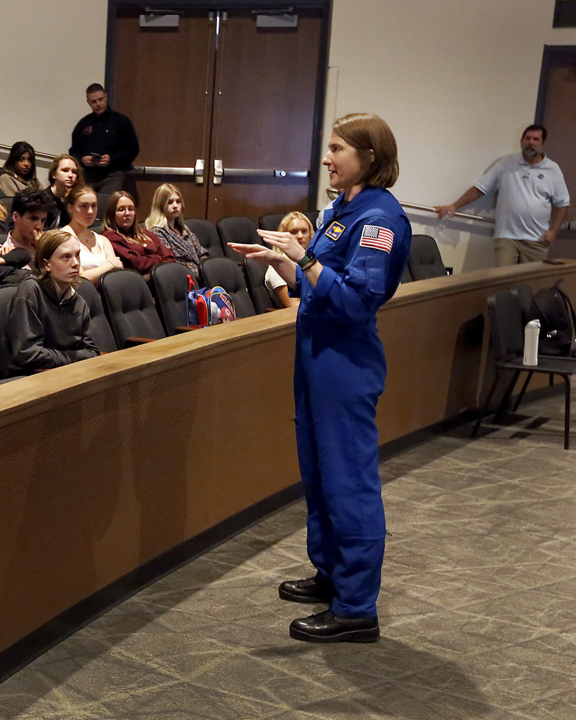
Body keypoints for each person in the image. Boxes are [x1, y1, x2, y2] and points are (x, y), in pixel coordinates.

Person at [228, 112, 412, 644]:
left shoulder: (378, 220)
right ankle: (332, 574)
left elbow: (355, 300)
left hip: (344, 361)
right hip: (315, 354)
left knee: (348, 481)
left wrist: (304, 257)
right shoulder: (343, 211)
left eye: (337, 149)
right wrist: (283, 262)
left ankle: (357, 607)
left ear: (369, 157)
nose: (327, 158)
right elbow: (319, 284)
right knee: (319, 472)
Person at [435, 125, 569, 266]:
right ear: (521, 141)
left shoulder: (552, 169)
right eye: (528, 138)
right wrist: (454, 205)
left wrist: (553, 232)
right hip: (507, 237)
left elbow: (563, 204)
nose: (531, 142)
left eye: (536, 139)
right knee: (503, 282)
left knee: (531, 285)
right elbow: (480, 189)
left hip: (537, 239)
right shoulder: (506, 164)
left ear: (543, 143)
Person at [9, 229, 99, 374]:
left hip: (70, 374)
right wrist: (73, 356)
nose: (76, 263)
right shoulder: (30, 291)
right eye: (66, 257)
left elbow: (92, 352)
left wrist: (67, 359)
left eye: (77, 255)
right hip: (36, 378)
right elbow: (28, 354)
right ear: (46, 265)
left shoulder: (77, 300)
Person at [69, 83, 139, 195]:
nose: (98, 104)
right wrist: (82, 159)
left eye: (100, 99)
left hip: (113, 174)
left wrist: (112, 159)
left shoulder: (121, 121)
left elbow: (132, 149)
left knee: (106, 204)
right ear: (88, 102)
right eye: (94, 101)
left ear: (106, 97)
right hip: (88, 175)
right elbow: (73, 151)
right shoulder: (83, 124)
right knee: (83, 202)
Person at [102, 191, 176, 279]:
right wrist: (158, 258)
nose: (127, 213)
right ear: (111, 214)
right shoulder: (110, 237)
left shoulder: (145, 233)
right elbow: (136, 264)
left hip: (160, 278)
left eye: (131, 209)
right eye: (121, 209)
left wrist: (148, 260)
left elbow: (170, 257)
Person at [144, 184, 209, 274]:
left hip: (200, 276)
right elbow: (170, 263)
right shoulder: (157, 232)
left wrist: (207, 270)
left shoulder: (185, 230)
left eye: (178, 202)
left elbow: (203, 254)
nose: (175, 206)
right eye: (170, 202)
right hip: (182, 278)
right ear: (160, 205)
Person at [63, 185, 121, 284]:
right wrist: (110, 264)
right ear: (70, 208)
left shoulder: (102, 240)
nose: (90, 211)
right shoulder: (63, 238)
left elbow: (117, 271)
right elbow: (79, 278)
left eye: (93, 206)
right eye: (84, 206)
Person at [264, 212, 313, 309]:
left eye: (304, 231)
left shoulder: (313, 261)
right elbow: (294, 306)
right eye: (294, 232)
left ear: (310, 235)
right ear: (283, 236)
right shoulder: (278, 265)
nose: (300, 236)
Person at [2, 188, 57, 268]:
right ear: (16, 217)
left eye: (43, 220)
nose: (39, 226)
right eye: (33, 219)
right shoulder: (7, 253)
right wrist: (40, 253)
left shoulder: (47, 244)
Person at [45, 154, 83, 229]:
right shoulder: (42, 199)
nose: (70, 175)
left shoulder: (69, 199)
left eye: (74, 172)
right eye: (65, 170)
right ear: (54, 174)